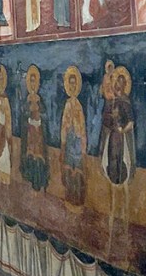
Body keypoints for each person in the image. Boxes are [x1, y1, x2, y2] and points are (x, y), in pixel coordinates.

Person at [61, 66, 87, 208]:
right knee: (68, 172)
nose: (71, 87)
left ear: (77, 86)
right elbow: (64, 126)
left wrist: (83, 148)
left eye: (73, 84)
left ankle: (78, 202)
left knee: (77, 173)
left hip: (77, 143)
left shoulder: (78, 106)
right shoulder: (67, 105)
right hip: (69, 142)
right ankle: (69, 199)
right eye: (70, 84)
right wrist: (63, 143)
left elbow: (82, 129)